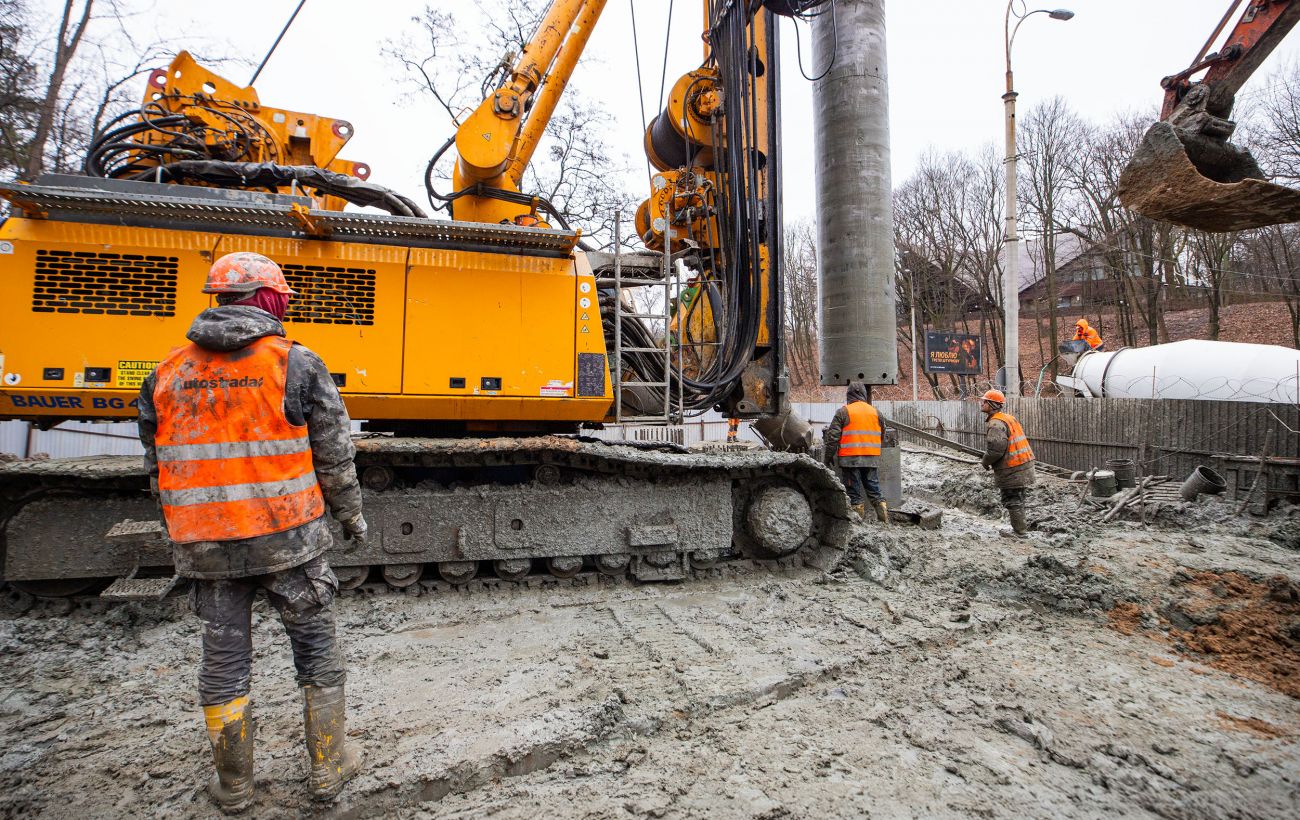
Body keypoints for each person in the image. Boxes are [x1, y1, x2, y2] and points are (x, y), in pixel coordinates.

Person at [137, 252, 368, 812]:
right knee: (315, 649)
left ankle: (235, 785)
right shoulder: (295, 363)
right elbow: (334, 456)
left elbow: (157, 467)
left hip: (207, 546)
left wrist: (185, 531)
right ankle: (328, 766)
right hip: (288, 540)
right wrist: (351, 517)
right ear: (268, 299)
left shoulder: (166, 372)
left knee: (223, 662)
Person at [823, 382, 889, 524]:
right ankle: (883, 518)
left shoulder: (843, 412)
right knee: (874, 488)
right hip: (871, 457)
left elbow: (832, 438)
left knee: (854, 492)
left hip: (850, 459)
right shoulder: (876, 412)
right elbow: (882, 435)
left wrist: (828, 457)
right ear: (864, 394)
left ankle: (857, 523)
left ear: (849, 395)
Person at [978, 389, 1036, 535]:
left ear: (991, 404)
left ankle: (1020, 532)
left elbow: (995, 450)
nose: (981, 403)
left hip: (1012, 467)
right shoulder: (1007, 418)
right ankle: (1021, 528)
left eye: (984, 401)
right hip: (1023, 463)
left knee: (1012, 498)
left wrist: (985, 461)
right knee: (1018, 497)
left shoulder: (996, 424)